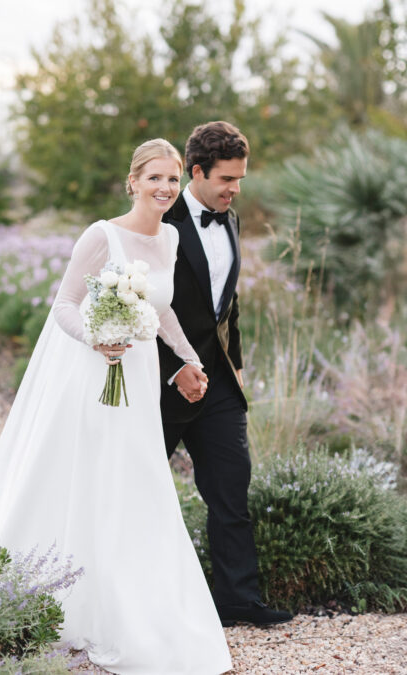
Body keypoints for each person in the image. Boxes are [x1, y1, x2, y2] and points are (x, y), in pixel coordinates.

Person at [0, 139, 232, 674]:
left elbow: (164, 308)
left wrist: (186, 359)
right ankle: (59, 594)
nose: (164, 188)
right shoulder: (101, 235)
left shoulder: (172, 237)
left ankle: (130, 600)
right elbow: (63, 304)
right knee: (82, 478)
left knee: (133, 482)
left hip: (137, 385)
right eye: (154, 177)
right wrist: (95, 337)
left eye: (173, 180)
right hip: (94, 377)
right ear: (131, 181)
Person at [158, 121, 292, 627]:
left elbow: (226, 307)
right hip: (160, 384)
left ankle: (237, 600)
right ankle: (145, 604)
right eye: (225, 180)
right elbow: (138, 307)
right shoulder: (160, 218)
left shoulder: (229, 219)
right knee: (139, 490)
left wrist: (233, 367)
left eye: (240, 179)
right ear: (196, 172)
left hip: (217, 387)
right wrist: (178, 370)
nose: (235, 190)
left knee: (232, 492)